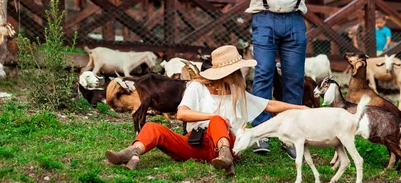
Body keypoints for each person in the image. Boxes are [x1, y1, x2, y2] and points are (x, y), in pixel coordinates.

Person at [231, 0, 344, 158]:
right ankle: (261, 133)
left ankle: (291, 135)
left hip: (294, 20)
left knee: (294, 76)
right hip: (265, 17)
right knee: (264, 72)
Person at [104, 45, 307, 176]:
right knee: (153, 127)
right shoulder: (197, 87)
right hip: (196, 144)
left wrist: (300, 107)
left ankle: (226, 157)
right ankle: (131, 152)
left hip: (227, 147)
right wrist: (212, 116)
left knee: (218, 122)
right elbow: (182, 113)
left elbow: (269, 104)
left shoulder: (237, 92)